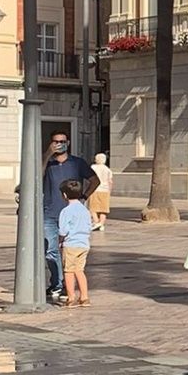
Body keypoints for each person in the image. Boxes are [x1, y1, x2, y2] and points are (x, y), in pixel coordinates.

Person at [43, 131, 99, 300]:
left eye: (62, 141)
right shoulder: (48, 162)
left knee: (70, 250)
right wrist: (47, 154)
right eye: (56, 141)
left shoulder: (77, 162)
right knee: (51, 251)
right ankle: (57, 283)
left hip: (71, 215)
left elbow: (95, 180)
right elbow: (36, 175)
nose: (59, 144)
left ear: (68, 143)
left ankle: (69, 286)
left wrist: (83, 197)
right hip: (50, 213)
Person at [57, 179, 93, 307]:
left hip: (70, 244)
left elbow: (63, 230)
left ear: (64, 195)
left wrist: (60, 241)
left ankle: (71, 297)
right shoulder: (84, 210)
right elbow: (89, 226)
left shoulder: (66, 211)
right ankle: (84, 297)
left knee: (68, 271)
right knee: (80, 270)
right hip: (83, 244)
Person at [88, 153, 113, 231]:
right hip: (105, 190)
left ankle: (96, 222)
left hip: (94, 189)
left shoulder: (93, 167)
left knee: (93, 208)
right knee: (103, 208)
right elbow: (110, 181)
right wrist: (110, 191)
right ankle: (101, 224)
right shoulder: (107, 169)